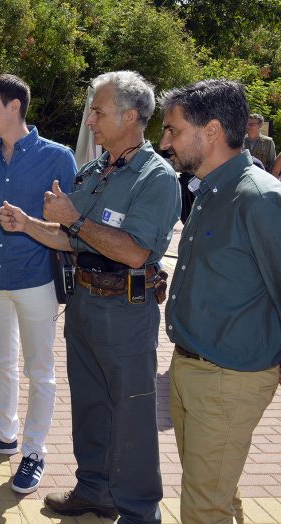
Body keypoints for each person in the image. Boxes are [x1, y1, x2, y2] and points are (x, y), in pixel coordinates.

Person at [0, 70, 181, 522]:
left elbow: (136, 251)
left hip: (126, 312)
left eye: (98, 112)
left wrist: (73, 222)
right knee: (91, 405)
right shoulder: (98, 170)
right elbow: (72, 239)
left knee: (133, 416)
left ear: (132, 115)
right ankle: (95, 490)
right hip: (84, 306)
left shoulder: (155, 178)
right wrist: (28, 223)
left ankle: (140, 511)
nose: (91, 121)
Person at [160, 79, 281, 524]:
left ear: (210, 131)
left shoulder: (261, 198)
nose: (164, 142)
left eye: (173, 130)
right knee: (214, 494)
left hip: (230, 380)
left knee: (202, 508)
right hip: (190, 368)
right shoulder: (208, 190)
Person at [0, 73, 77, 494]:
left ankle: (34, 451)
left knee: (40, 371)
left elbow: (72, 222)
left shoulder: (58, 157)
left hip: (37, 280)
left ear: (13, 107)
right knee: (0, 363)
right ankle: (4, 435)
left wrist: (29, 226)